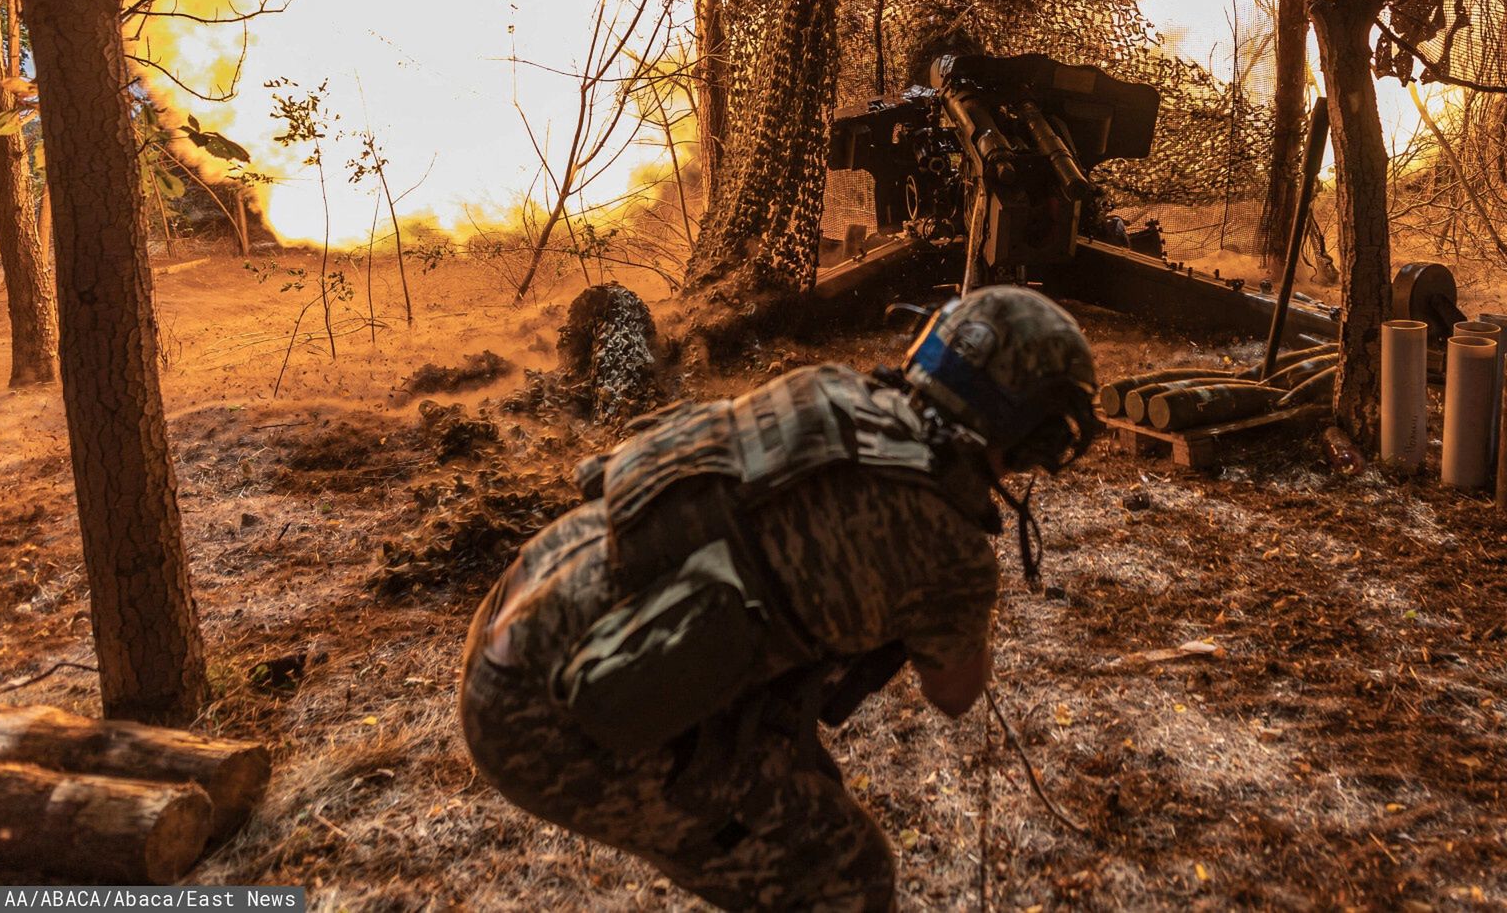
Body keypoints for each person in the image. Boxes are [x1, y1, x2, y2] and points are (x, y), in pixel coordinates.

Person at [458, 286, 1099, 911]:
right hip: (548, 710)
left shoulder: (834, 390)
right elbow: (955, 693)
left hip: (521, 606)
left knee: (798, 792)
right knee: (844, 876)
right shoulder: (951, 550)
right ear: (1032, 428)